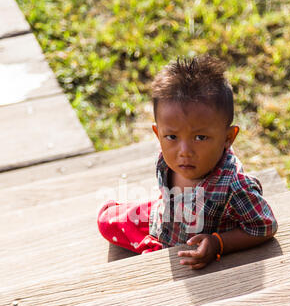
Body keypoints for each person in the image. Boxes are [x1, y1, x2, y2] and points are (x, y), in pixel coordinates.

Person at [98, 54, 278, 269]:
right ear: (158, 133)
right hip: (166, 218)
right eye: (172, 137)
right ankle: (157, 239)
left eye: (200, 137)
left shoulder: (234, 187)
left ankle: (156, 248)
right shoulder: (168, 159)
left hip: (193, 244)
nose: (184, 152)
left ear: (228, 138)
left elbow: (264, 226)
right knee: (106, 221)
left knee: (160, 261)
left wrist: (217, 243)